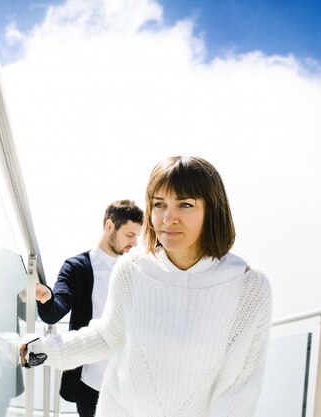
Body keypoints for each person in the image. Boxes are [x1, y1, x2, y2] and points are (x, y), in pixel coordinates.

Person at [20, 156, 273, 417]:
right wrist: (42, 348)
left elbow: (240, 389)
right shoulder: (132, 268)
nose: (168, 218)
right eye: (159, 204)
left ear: (213, 210)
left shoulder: (249, 287)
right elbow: (107, 336)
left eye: (185, 204)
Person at [32, 200, 143, 417]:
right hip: (89, 381)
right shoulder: (77, 267)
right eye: (130, 235)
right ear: (110, 226)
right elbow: (57, 309)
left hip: (128, 380)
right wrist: (46, 298)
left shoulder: (137, 268)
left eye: (137, 236)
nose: (135, 242)